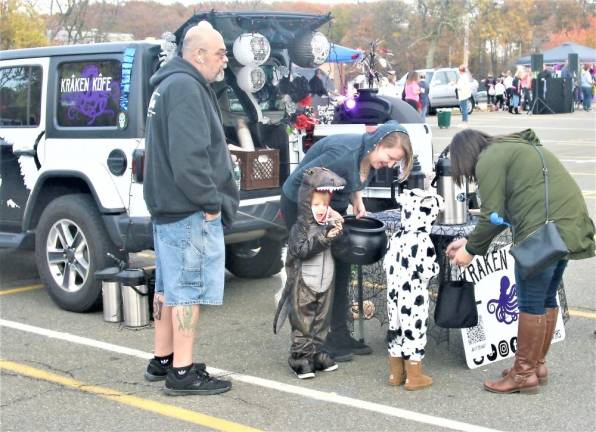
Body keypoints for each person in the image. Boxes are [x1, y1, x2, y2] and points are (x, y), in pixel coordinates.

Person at [446, 129, 595, 395]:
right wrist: (469, 241)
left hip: (542, 232)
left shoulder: (489, 159)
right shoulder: (513, 148)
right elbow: (502, 215)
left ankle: (523, 374)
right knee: (547, 298)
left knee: (530, 301)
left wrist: (469, 251)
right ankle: (536, 366)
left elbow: (491, 214)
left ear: (464, 156)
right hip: (566, 227)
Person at [143, 22, 240, 396]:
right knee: (188, 290)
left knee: (169, 287)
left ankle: (163, 359)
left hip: (170, 208)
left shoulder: (169, 85)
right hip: (188, 209)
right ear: (198, 54)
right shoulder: (185, 87)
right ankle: (182, 373)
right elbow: (189, 157)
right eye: (219, 53)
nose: (225, 61)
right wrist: (210, 203)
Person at [280, 121, 414, 361]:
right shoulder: (343, 155)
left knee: (341, 269)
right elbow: (304, 182)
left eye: (395, 162)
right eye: (390, 157)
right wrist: (325, 215)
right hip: (301, 205)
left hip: (331, 209)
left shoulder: (369, 156)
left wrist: (357, 199)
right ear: (379, 143)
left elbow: (352, 179)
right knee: (314, 275)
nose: (390, 164)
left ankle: (338, 335)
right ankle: (308, 346)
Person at [275, 167, 346, 379]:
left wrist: (338, 229)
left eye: (324, 204)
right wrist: (326, 237)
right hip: (304, 283)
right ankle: (300, 357)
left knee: (322, 319)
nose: (321, 209)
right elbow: (302, 250)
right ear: (306, 202)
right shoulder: (300, 227)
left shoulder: (329, 223)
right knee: (303, 320)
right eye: (316, 204)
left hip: (325, 281)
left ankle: (317, 353)